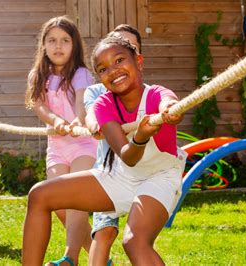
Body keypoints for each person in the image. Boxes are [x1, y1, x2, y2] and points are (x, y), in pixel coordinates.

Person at [22, 34, 187, 265]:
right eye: (102, 68)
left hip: (159, 177)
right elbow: (128, 157)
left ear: (139, 61)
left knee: (134, 241)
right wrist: (139, 137)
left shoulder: (157, 94)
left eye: (119, 60)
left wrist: (171, 110)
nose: (113, 70)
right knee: (39, 195)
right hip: (122, 174)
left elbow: (168, 104)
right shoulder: (104, 104)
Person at [24, 16, 97, 265]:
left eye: (65, 40)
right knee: (59, 205)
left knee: (75, 200)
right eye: (52, 40)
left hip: (83, 146)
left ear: (74, 45)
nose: (58, 46)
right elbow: (39, 106)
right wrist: (56, 122)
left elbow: (81, 101)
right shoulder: (38, 75)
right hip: (56, 148)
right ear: (43, 45)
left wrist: (77, 121)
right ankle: (101, 258)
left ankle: (70, 258)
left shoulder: (81, 74)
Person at [84, 24, 143, 266]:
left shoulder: (146, 92)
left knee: (138, 237)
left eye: (128, 49)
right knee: (104, 232)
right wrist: (94, 123)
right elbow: (90, 113)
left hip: (143, 172)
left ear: (137, 58)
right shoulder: (97, 90)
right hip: (110, 171)